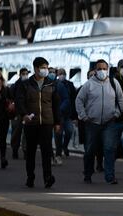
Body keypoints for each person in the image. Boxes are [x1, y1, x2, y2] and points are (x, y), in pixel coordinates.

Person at [75, 59, 123, 184]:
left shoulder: (114, 83)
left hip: (109, 122)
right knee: (90, 150)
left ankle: (109, 176)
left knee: (109, 149)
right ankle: (88, 174)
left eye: (104, 68)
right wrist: (84, 116)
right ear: (95, 70)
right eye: (99, 68)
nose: (102, 71)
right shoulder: (89, 85)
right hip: (92, 123)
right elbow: (79, 100)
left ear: (107, 70)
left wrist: (117, 113)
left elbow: (121, 99)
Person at [16, 57, 60, 188]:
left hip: (47, 122)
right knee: (31, 152)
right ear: (35, 69)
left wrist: (57, 122)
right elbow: (20, 101)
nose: (45, 70)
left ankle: (48, 177)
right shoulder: (26, 84)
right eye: (43, 67)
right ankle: (30, 176)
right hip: (31, 122)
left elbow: (56, 105)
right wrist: (24, 115)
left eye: (46, 67)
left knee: (47, 151)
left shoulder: (51, 84)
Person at [54, 68, 76, 165]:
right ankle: (58, 153)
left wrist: (75, 115)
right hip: (58, 115)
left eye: (63, 73)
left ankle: (65, 146)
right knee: (58, 134)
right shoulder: (55, 84)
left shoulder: (69, 85)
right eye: (60, 73)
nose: (62, 75)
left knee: (69, 131)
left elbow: (73, 99)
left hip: (68, 114)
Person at [10, 68, 29, 159]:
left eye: (26, 73)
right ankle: (15, 149)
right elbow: (11, 98)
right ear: (20, 74)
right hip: (17, 113)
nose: (25, 75)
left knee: (26, 133)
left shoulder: (30, 85)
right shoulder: (15, 86)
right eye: (23, 74)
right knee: (16, 132)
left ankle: (25, 151)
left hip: (27, 112)